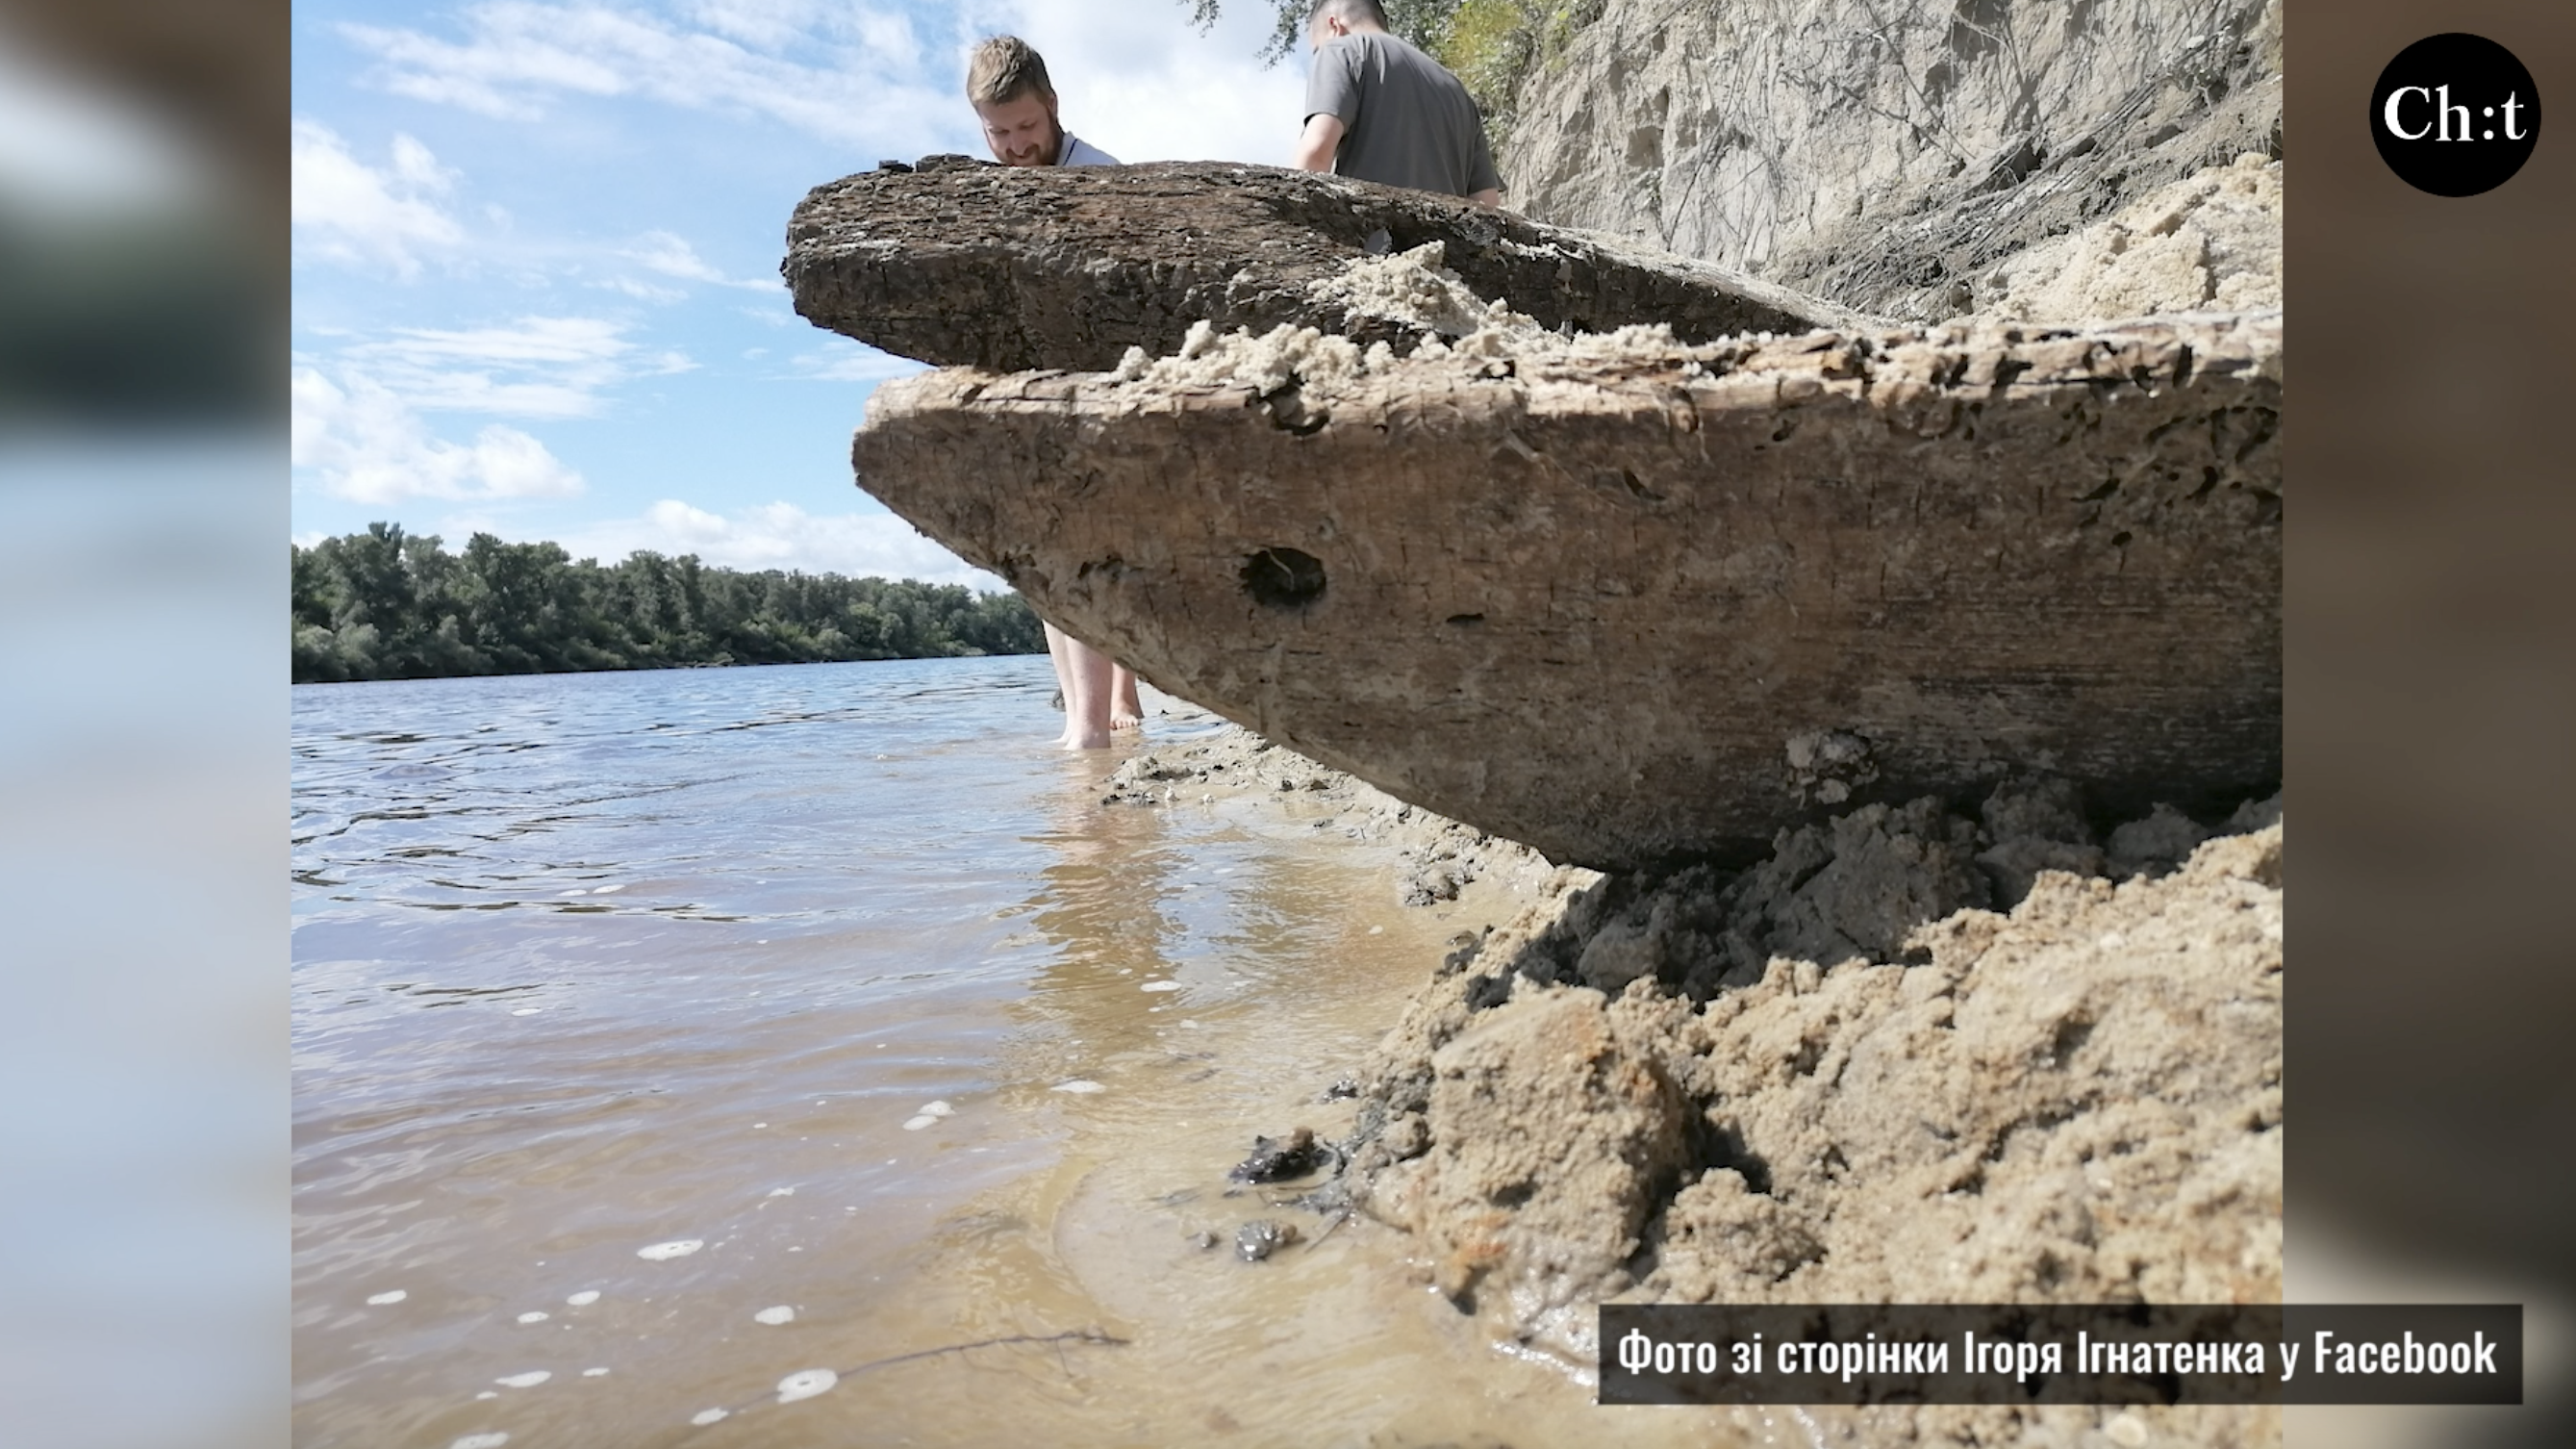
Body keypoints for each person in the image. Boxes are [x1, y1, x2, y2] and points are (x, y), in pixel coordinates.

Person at [965, 36, 1147, 748]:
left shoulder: (1103, 178)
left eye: (1025, 128)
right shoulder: (991, 188)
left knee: (1084, 552)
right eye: (998, 133)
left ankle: (1092, 730)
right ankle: (1081, 717)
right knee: (1043, 561)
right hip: (1032, 391)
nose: (1014, 146)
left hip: (1097, 389)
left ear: (1053, 107)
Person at [1291, 0, 1503, 208]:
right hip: (1446, 241)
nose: (1319, 55)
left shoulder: (1341, 50)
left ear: (1334, 26)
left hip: (1373, 237)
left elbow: (1316, 153)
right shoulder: (1457, 90)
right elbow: (1487, 203)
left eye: (1316, 49)